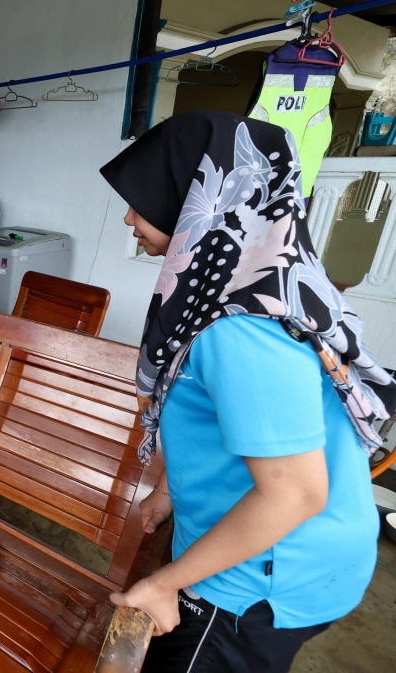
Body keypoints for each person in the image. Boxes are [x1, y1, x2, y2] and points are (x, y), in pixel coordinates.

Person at [99, 111, 396, 673]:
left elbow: (293, 494)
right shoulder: (259, 280)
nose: (128, 216)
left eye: (143, 197)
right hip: (282, 546)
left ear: (202, 198)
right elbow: (216, 415)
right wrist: (169, 488)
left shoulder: (239, 328)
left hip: (259, 573)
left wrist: (163, 585)